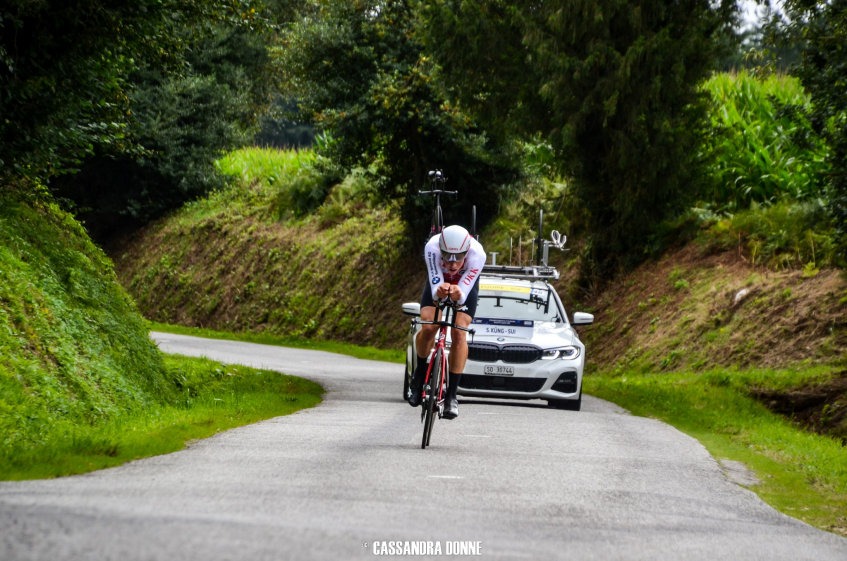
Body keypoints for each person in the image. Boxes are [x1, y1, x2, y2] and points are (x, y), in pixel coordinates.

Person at [408, 225, 485, 419]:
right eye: (447, 256)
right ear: (440, 249)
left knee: (459, 333)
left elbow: (464, 293)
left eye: (458, 257)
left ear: (466, 251)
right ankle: (419, 376)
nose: (452, 263)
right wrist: (439, 291)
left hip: (465, 285)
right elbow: (435, 285)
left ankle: (452, 395)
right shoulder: (432, 246)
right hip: (439, 282)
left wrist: (459, 294)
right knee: (429, 327)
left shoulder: (478, 253)